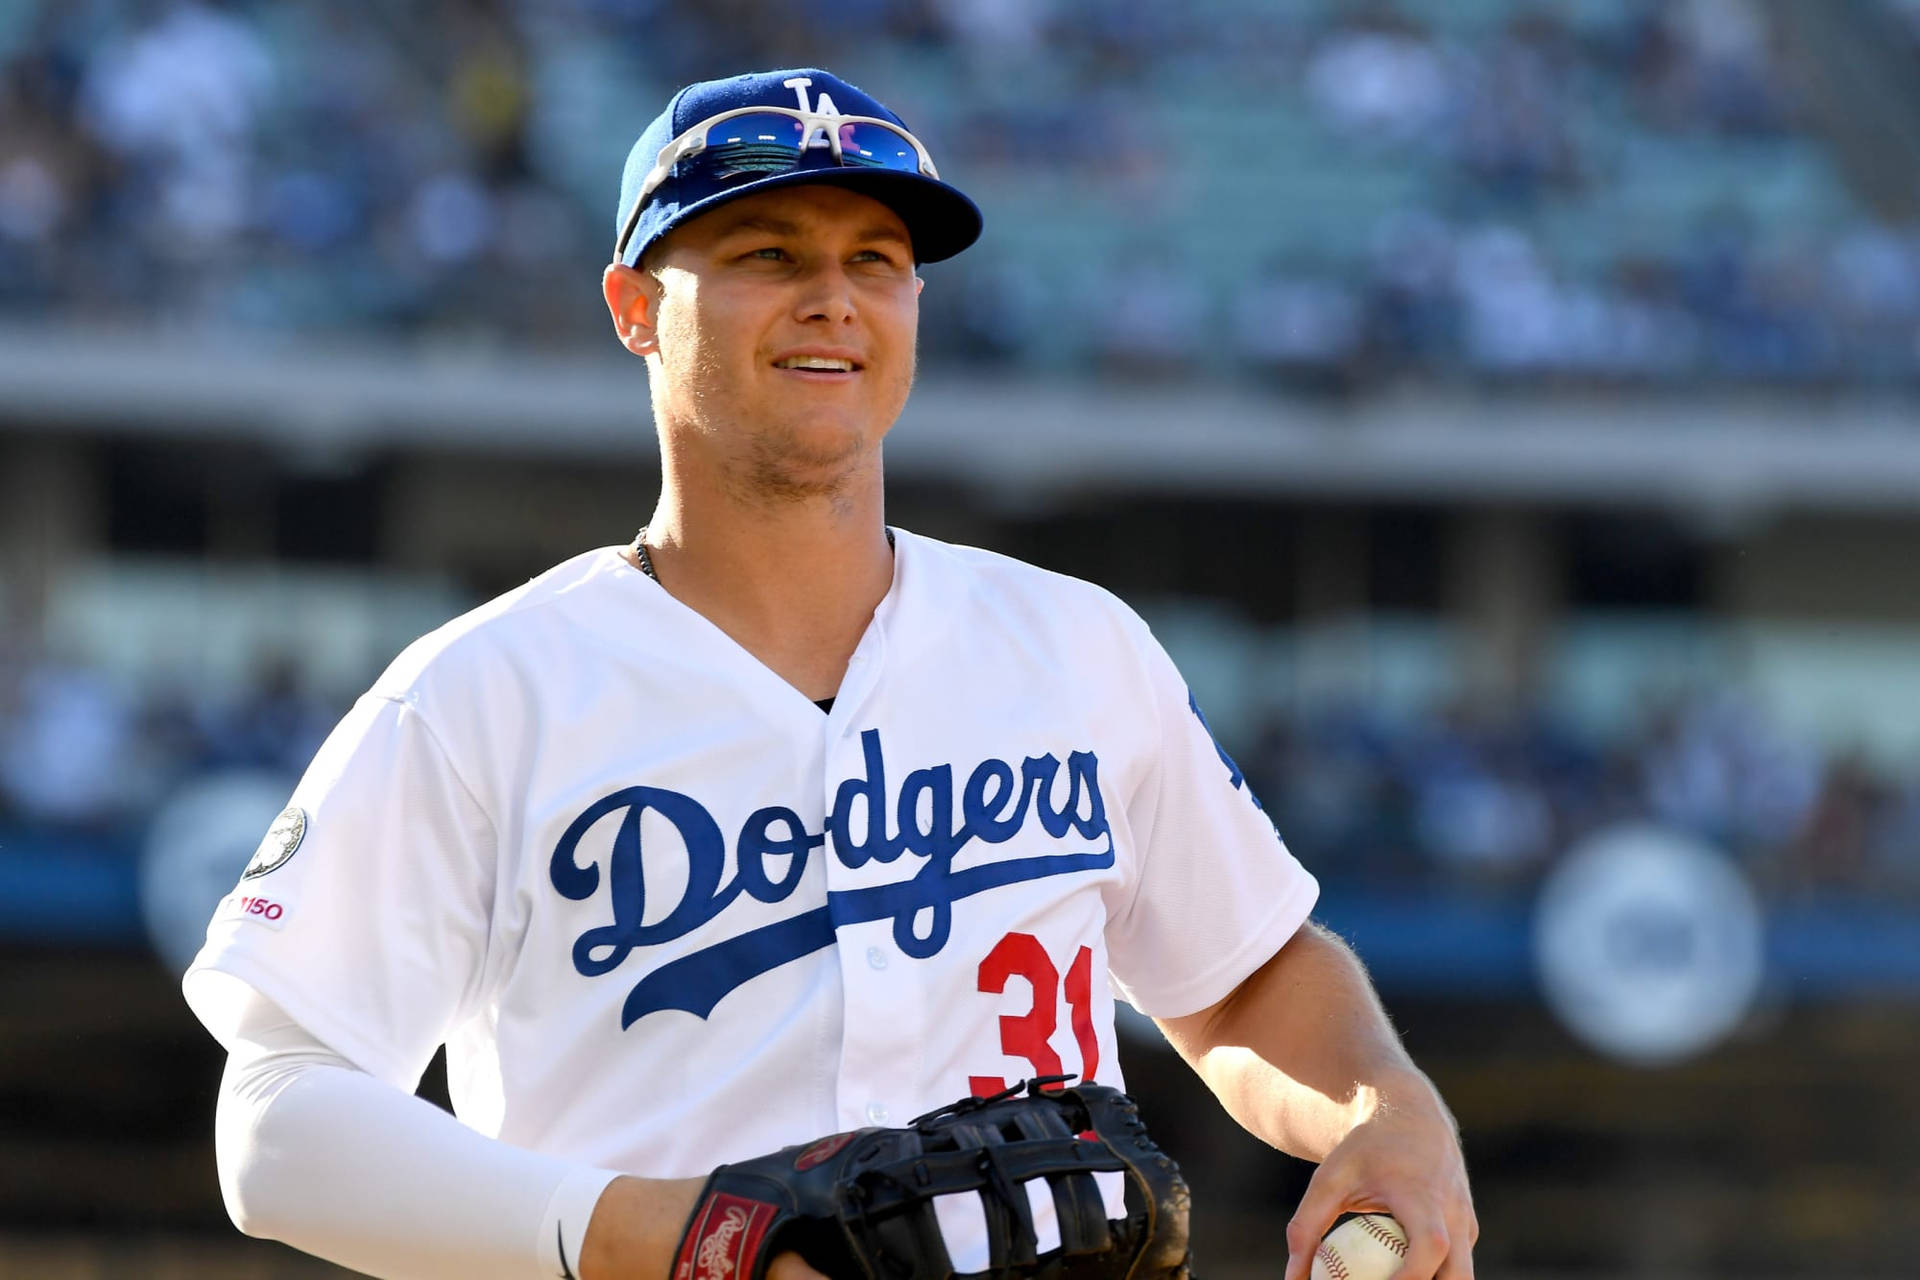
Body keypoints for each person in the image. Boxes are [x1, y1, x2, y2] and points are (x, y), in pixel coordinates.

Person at [184, 68, 1477, 1280]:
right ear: (635, 306)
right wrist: (669, 1240)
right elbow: (279, 1119)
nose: (834, 300)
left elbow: (1245, 973)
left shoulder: (1075, 646)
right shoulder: (485, 695)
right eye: (767, 256)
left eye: (879, 261)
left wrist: (1387, 1103)